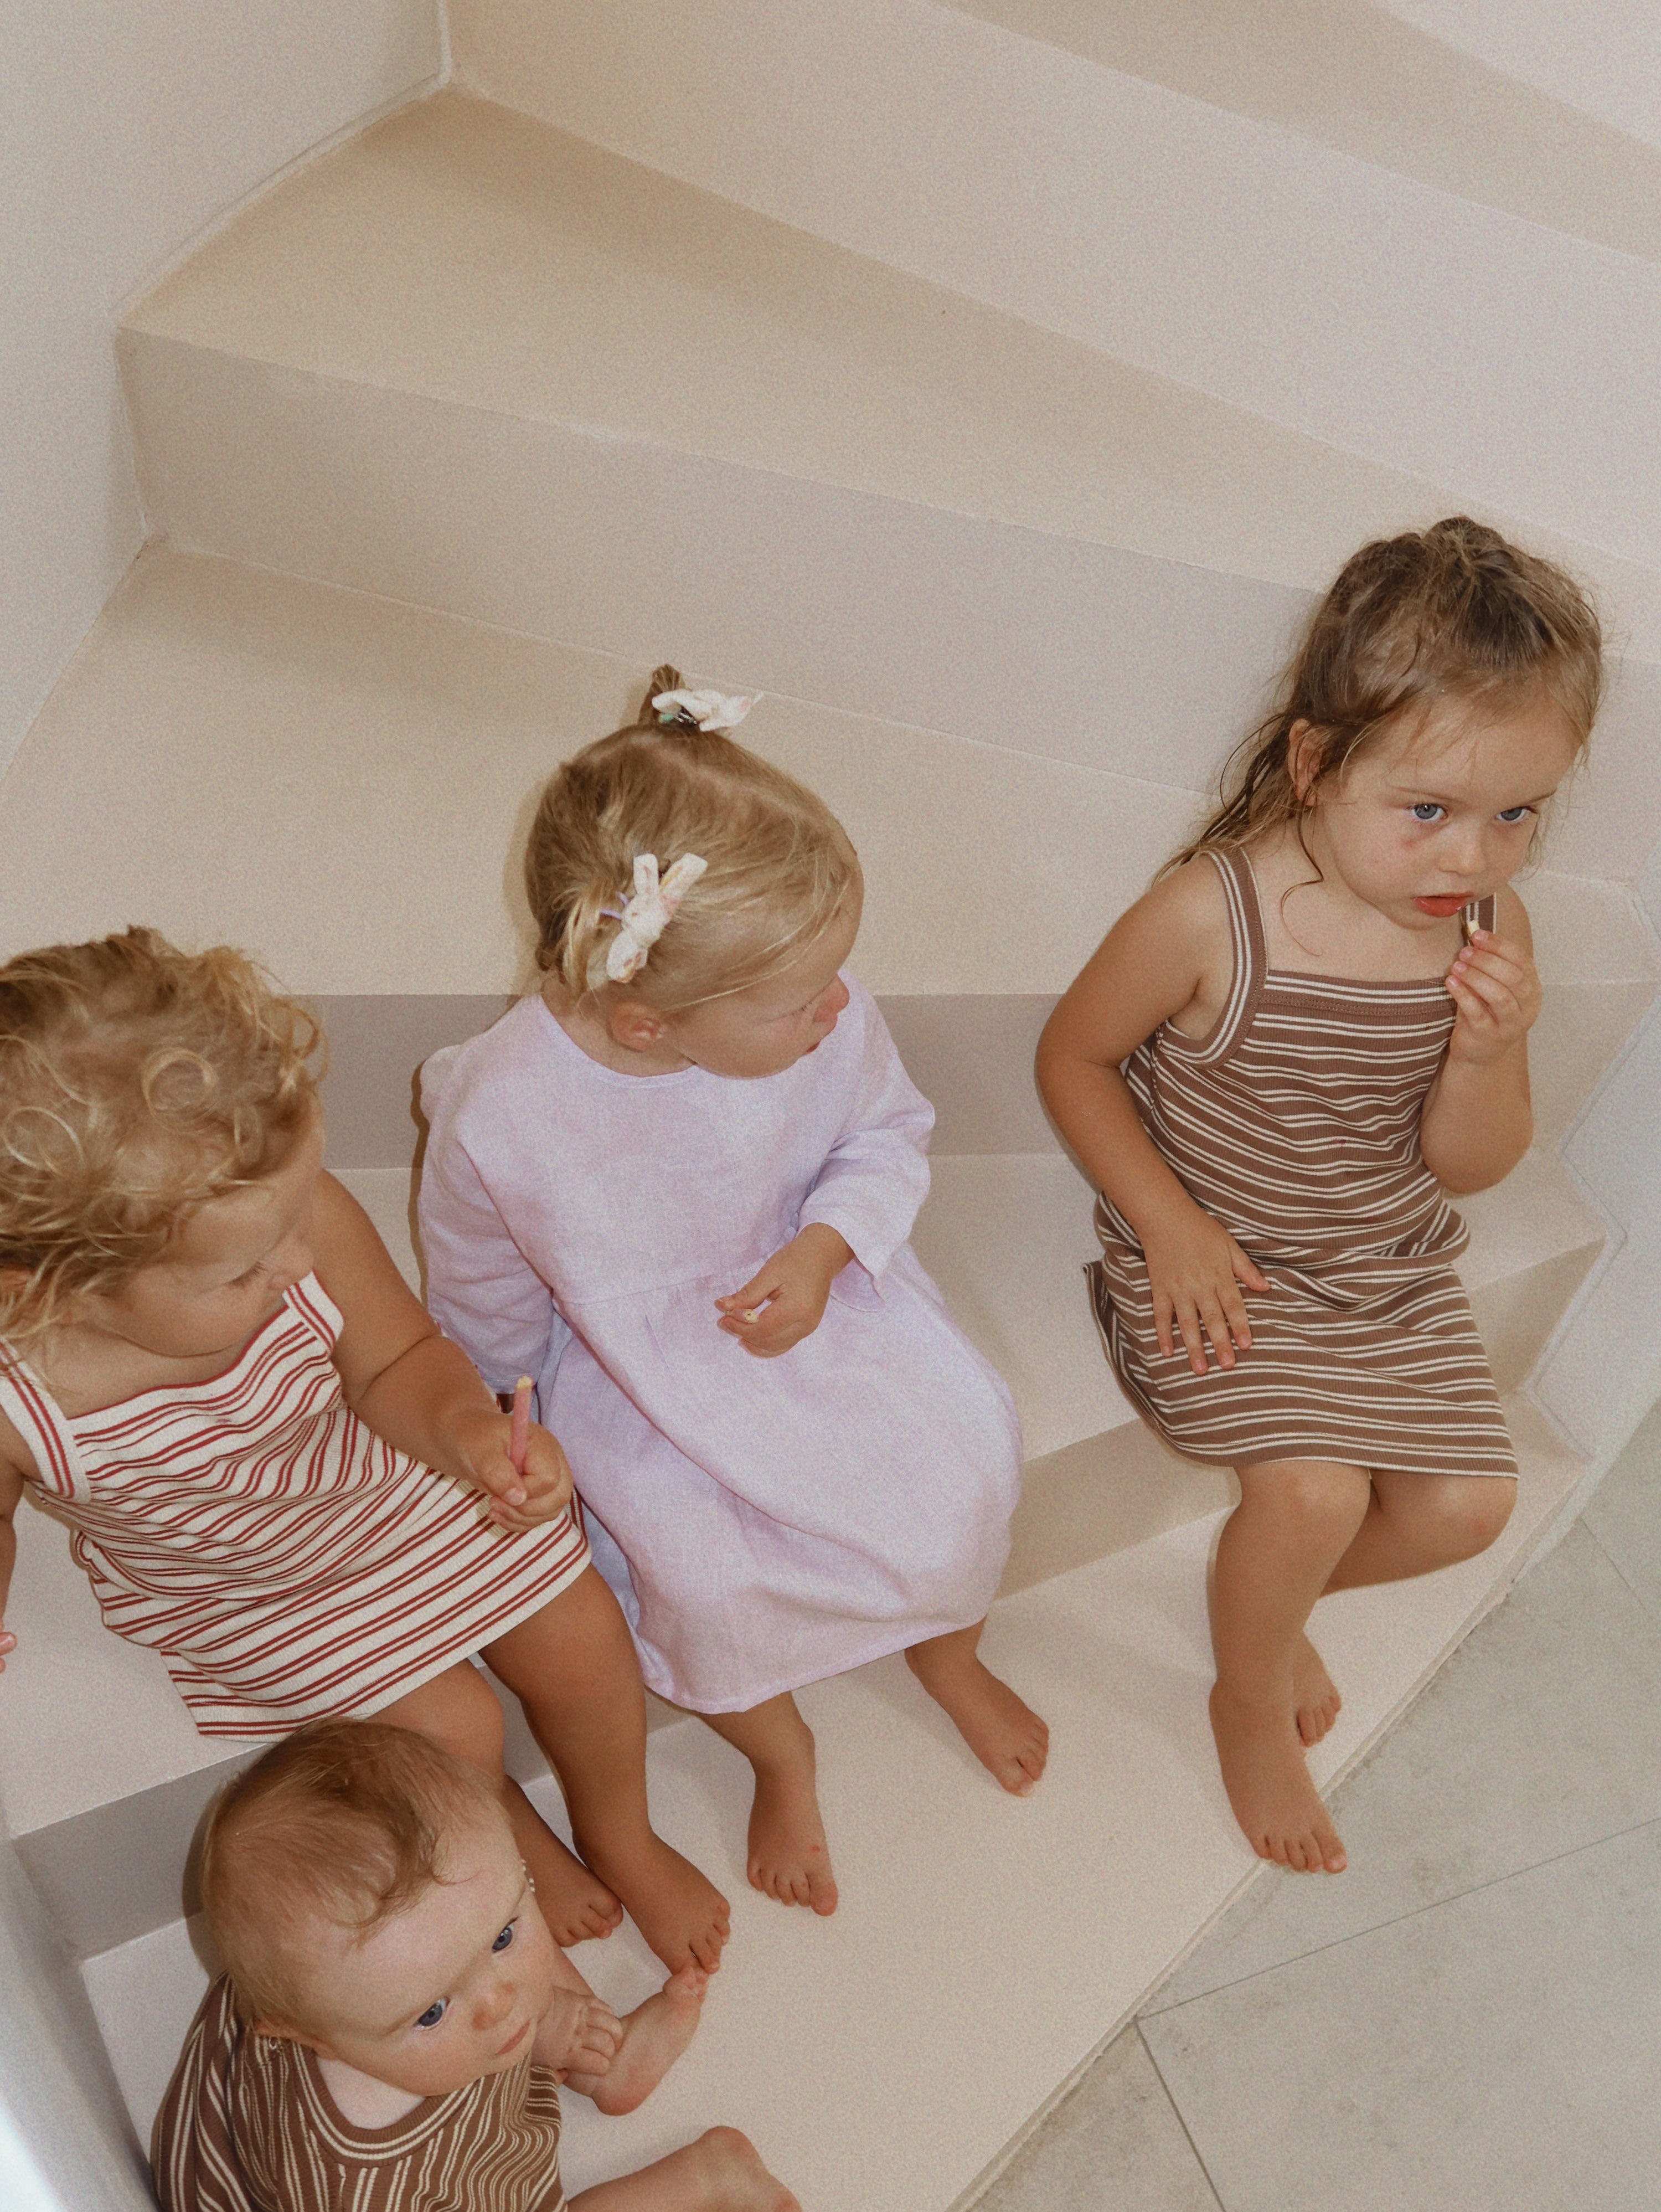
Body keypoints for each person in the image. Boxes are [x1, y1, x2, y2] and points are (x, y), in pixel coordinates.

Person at [419, 669, 1043, 1919]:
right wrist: (510, 1414)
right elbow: (479, 1290)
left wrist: (825, 1249)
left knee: (969, 1463)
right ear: (647, 1025)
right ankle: (776, 1747)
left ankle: (948, 1648)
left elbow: (886, 1134)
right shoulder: (505, 1116)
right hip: (634, 1366)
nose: (834, 1011)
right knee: (697, 1575)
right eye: (795, 1001)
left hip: (819, 1284)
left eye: (833, 981)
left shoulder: (825, 1019)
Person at [1036, 518, 1602, 1875]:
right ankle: (1244, 1695)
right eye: (1431, 810)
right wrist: (1169, 1225)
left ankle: (1271, 1615)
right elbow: (1076, 1058)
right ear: (1315, 763)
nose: (1471, 859)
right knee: (1313, 1493)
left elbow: (1471, 1167)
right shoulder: (1206, 914)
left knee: (1467, 1508)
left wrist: (1491, 1047)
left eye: (1516, 814)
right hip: (1212, 1263)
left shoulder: (1488, 930)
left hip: (1380, 1263)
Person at [0, 932, 728, 1971]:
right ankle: (505, 1845)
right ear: (60, 1289)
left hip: (381, 1477)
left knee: (583, 1637)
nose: (299, 1259)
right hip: (246, 1582)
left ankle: (620, 1830)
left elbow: (396, 1363)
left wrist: (470, 1433)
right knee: (448, 1733)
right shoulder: (18, 1399)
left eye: (300, 1212)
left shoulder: (287, 1218)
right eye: (250, 1269)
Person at [152, 1722, 803, 2212]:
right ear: (307, 2035)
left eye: (504, 1932)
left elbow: (467, 1991)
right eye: (431, 2011)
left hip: (360, 2093)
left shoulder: (365, 1990)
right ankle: (706, 2180)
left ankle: (564, 2044)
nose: (503, 2006)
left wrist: (525, 2019)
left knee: (484, 2002)